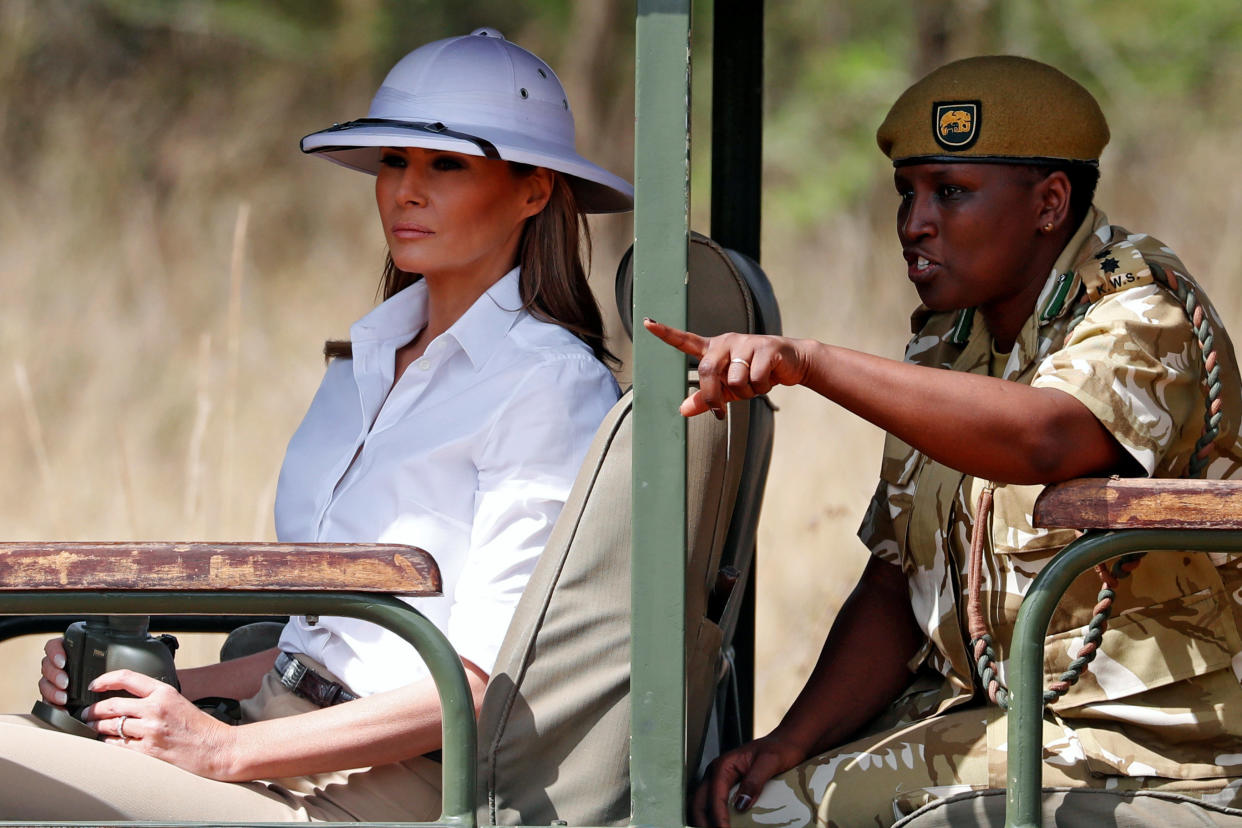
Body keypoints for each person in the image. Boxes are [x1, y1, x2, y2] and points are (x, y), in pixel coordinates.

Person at [0, 27, 628, 822]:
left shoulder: (549, 385)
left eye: (447, 166)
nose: (406, 190)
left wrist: (220, 750)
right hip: (279, 732)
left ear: (534, 192)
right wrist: (158, 696)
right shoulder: (361, 362)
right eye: (393, 162)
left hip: (392, 788)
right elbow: (324, 645)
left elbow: (481, 681)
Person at [647, 55, 1242, 827]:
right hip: (995, 724)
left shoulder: (1140, 308)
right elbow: (898, 584)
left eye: (952, 193)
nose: (914, 222)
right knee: (745, 804)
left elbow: (1045, 440)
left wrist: (811, 363)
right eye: (907, 192)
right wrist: (786, 744)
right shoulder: (949, 341)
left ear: (1050, 202)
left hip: (1158, 747)